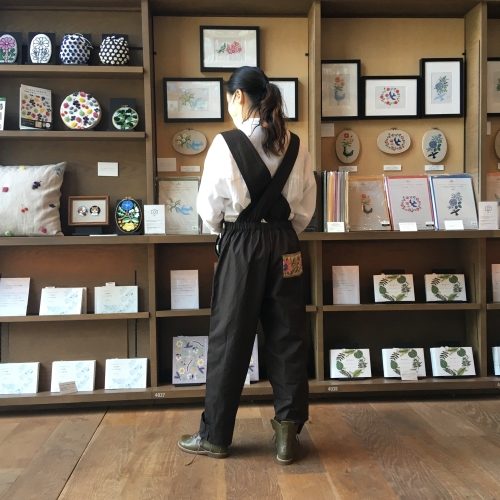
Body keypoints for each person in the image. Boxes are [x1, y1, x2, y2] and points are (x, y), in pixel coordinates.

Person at [177, 66, 317, 465]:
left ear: (238, 97)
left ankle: (215, 437)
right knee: (288, 336)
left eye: (229, 100)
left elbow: (209, 209)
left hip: (242, 244)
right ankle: (287, 435)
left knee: (230, 337)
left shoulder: (226, 144)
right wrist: (281, 233)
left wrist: (224, 234)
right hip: (286, 245)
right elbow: (305, 209)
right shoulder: (296, 145)